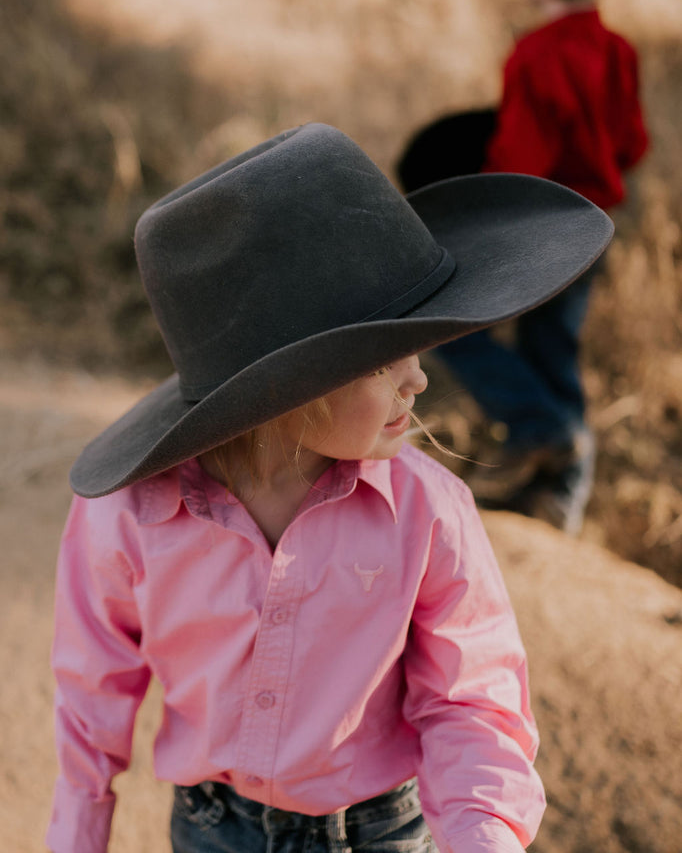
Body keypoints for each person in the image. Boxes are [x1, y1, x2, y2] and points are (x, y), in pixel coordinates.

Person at [46, 123, 612, 853]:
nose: (419, 376)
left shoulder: (428, 511)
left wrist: (482, 836)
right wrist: (77, 836)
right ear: (288, 392)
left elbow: (471, 699)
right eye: (381, 360)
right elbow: (91, 692)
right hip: (215, 831)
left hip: (380, 832)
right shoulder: (129, 517)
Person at [436, 0, 649, 534]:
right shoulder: (617, 52)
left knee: (457, 332)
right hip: (593, 229)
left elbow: (520, 166)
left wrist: (479, 211)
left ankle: (541, 426)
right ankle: (562, 497)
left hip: (539, 228)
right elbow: (632, 143)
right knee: (553, 348)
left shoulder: (533, 57)